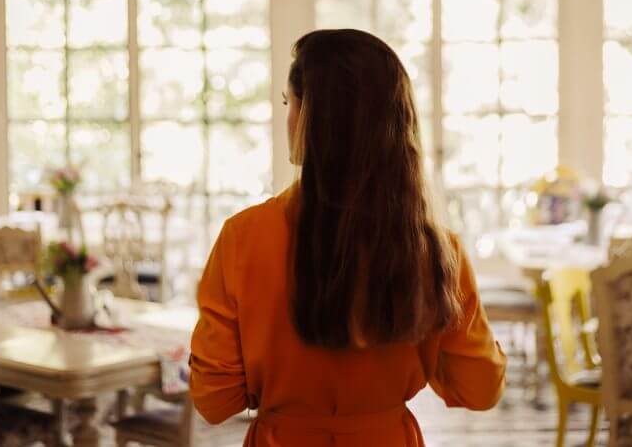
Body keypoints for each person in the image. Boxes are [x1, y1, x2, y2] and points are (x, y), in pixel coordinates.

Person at [189, 29, 506, 446]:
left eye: (289, 103)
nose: (286, 118)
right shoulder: (435, 249)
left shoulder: (243, 237)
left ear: (310, 118)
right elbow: (481, 390)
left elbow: (214, 400)